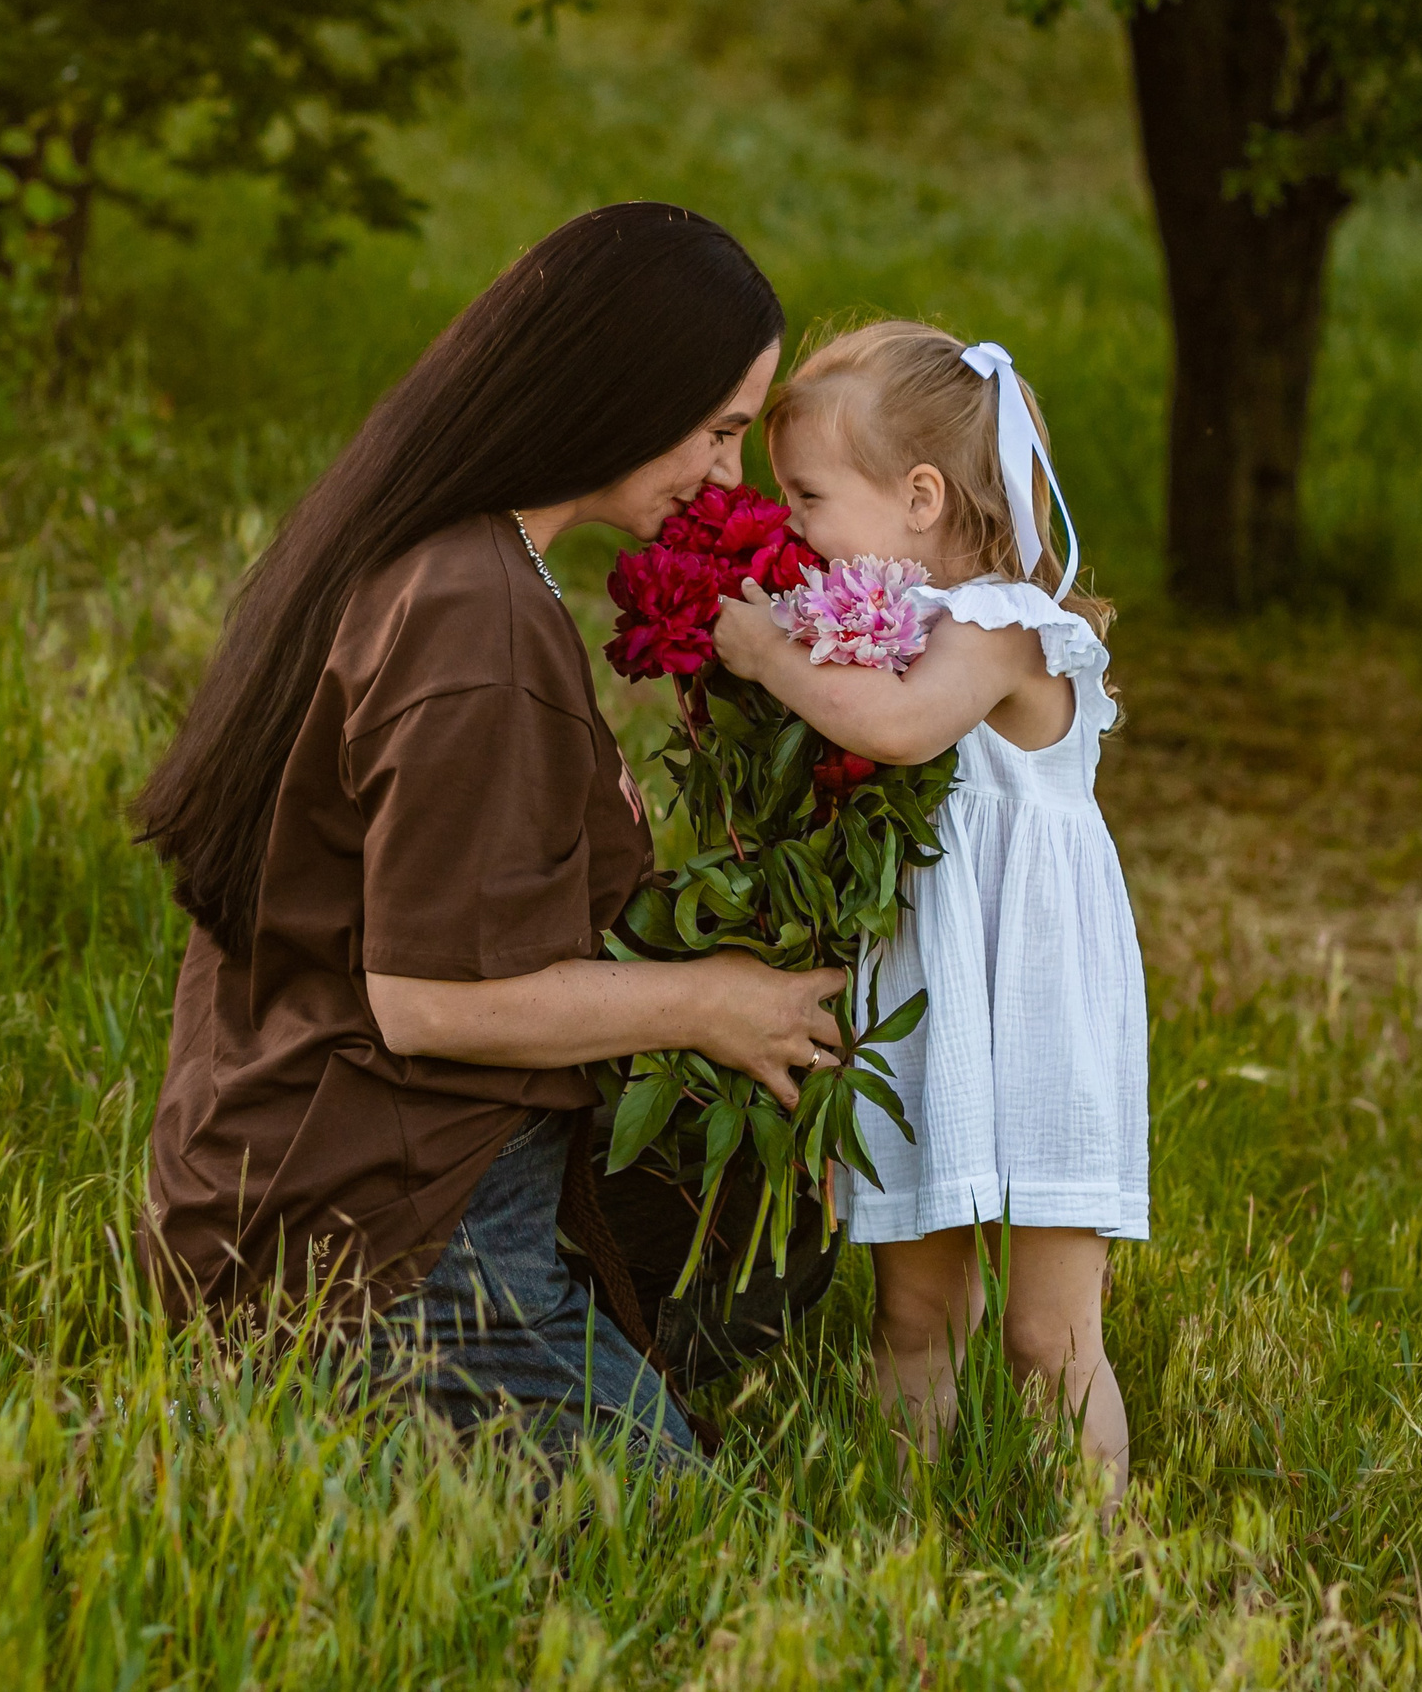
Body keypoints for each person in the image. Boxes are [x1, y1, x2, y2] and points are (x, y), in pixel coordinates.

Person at [129, 204, 846, 1463]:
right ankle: (310, 1406)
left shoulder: (440, 555)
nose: (727, 477)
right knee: (678, 1553)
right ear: (625, 388)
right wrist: (713, 1003)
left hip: (331, 1177)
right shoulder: (474, 619)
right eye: (720, 428)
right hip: (394, 1231)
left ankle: (333, 1403)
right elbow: (429, 1001)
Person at [711, 319, 1149, 1505]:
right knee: (914, 1310)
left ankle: (1091, 1564)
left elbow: (898, 728)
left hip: (1042, 1000)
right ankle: (899, 1543)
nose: (790, 522)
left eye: (806, 494)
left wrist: (763, 651)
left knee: (1050, 1334)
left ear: (918, 496)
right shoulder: (906, 629)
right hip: (930, 1002)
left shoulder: (1006, 625)